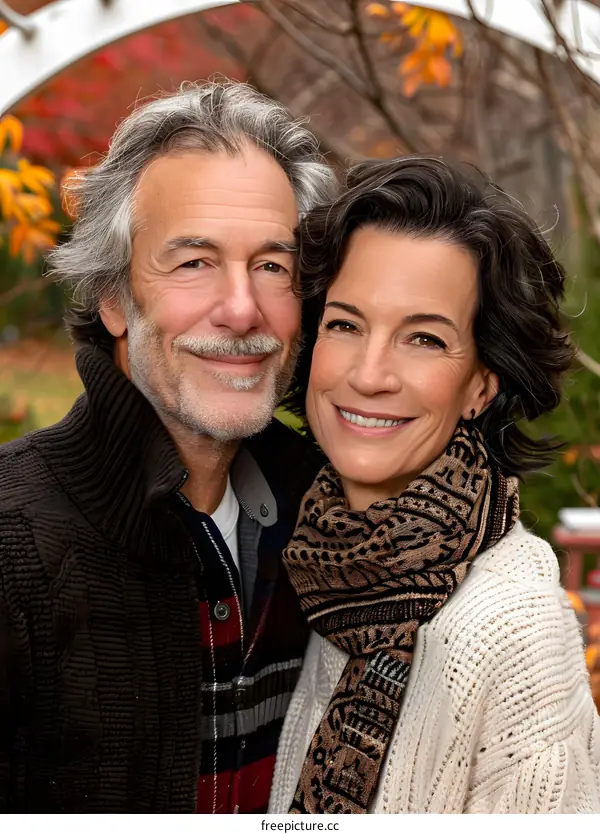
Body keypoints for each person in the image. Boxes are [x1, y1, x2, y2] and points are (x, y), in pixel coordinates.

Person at [0, 81, 337, 813]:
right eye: (193, 262)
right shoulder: (13, 547)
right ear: (115, 298)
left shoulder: (331, 517)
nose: (243, 307)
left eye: (274, 266)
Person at [268, 157, 600, 814]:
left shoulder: (511, 632)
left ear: (482, 383)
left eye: (423, 338)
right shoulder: (323, 566)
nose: (369, 373)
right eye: (345, 324)